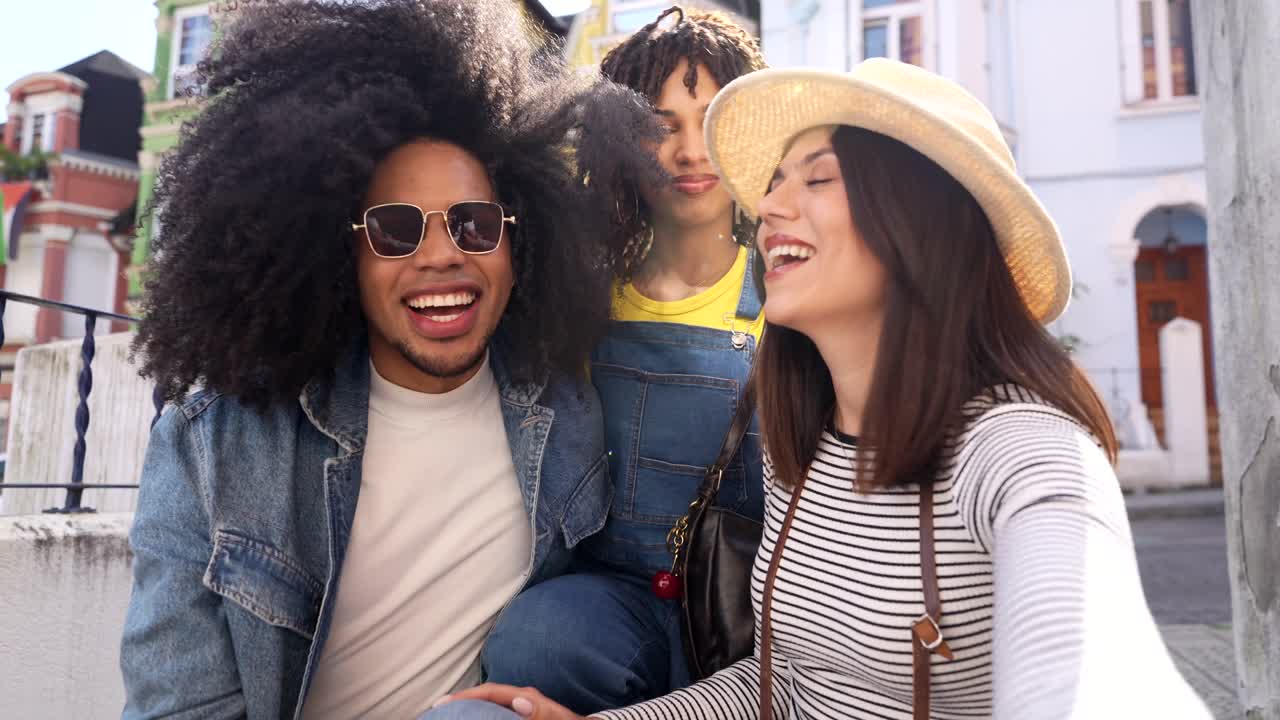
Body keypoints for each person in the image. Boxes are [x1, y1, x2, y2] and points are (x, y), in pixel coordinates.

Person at [441, 60, 1214, 719]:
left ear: (919, 222)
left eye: (818, 178)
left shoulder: (1022, 451)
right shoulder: (800, 443)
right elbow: (780, 687)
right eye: (775, 183)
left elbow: (1094, 670)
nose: (770, 207)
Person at [117, 1, 659, 718]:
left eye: (474, 223)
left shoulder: (565, 415)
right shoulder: (215, 449)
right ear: (341, 253)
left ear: (517, 243)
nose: (442, 253)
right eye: (395, 229)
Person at [480, 7, 769, 713]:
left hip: (749, 601)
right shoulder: (582, 297)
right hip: (613, 600)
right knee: (532, 641)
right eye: (660, 126)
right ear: (618, 145)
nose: (690, 152)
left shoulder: (788, 293)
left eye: (711, 120)